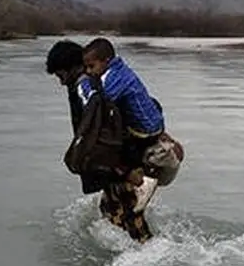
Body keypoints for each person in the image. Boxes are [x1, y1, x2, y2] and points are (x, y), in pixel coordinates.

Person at [44, 39, 154, 243]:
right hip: (115, 164)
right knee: (111, 211)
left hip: (117, 165)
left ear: (72, 68)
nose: (61, 82)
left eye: (61, 75)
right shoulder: (97, 83)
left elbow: (103, 135)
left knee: (129, 223)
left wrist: (123, 169)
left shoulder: (87, 89)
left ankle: (147, 253)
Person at [79, 37, 183, 213]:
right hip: (151, 125)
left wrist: (82, 85)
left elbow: (97, 102)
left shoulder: (116, 77)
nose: (89, 72)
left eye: (92, 66)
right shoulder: (121, 71)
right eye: (86, 68)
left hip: (144, 131)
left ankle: (144, 182)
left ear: (106, 61)